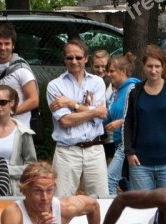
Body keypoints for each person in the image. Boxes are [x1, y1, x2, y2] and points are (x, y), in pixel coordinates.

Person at [46, 38, 108, 197]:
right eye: (70, 57)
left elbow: (102, 114)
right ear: (64, 59)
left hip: (94, 149)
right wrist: (93, 111)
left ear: (86, 58)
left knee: (100, 202)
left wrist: (71, 104)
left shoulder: (98, 82)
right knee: (61, 203)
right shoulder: (55, 85)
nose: (74, 61)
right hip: (67, 152)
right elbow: (65, 121)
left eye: (78, 57)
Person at [123, 45, 166, 192]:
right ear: (143, 66)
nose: (153, 70)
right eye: (150, 66)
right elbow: (127, 124)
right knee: (143, 209)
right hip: (140, 164)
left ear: (163, 66)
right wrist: (129, 152)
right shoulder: (134, 91)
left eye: (157, 66)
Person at [0, 24, 39, 131]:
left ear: (13, 45)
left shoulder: (21, 69)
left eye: (7, 44)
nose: (3, 48)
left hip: (18, 129)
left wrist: (9, 113)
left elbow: (34, 100)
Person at [0, 85, 37, 195]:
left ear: (12, 103)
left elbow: (32, 166)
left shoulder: (23, 132)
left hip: (14, 189)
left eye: (3, 102)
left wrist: (6, 171)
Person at [103, 52, 140, 195]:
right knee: (129, 183)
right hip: (119, 142)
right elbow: (108, 116)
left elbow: (141, 115)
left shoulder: (133, 88)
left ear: (123, 71)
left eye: (112, 71)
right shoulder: (115, 93)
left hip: (128, 143)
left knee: (109, 179)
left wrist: (121, 122)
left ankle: (112, 212)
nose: (108, 74)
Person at [90, 49, 114, 160]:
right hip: (94, 135)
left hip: (112, 135)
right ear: (91, 66)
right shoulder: (88, 84)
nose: (100, 70)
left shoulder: (115, 83)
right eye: (96, 66)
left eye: (104, 66)